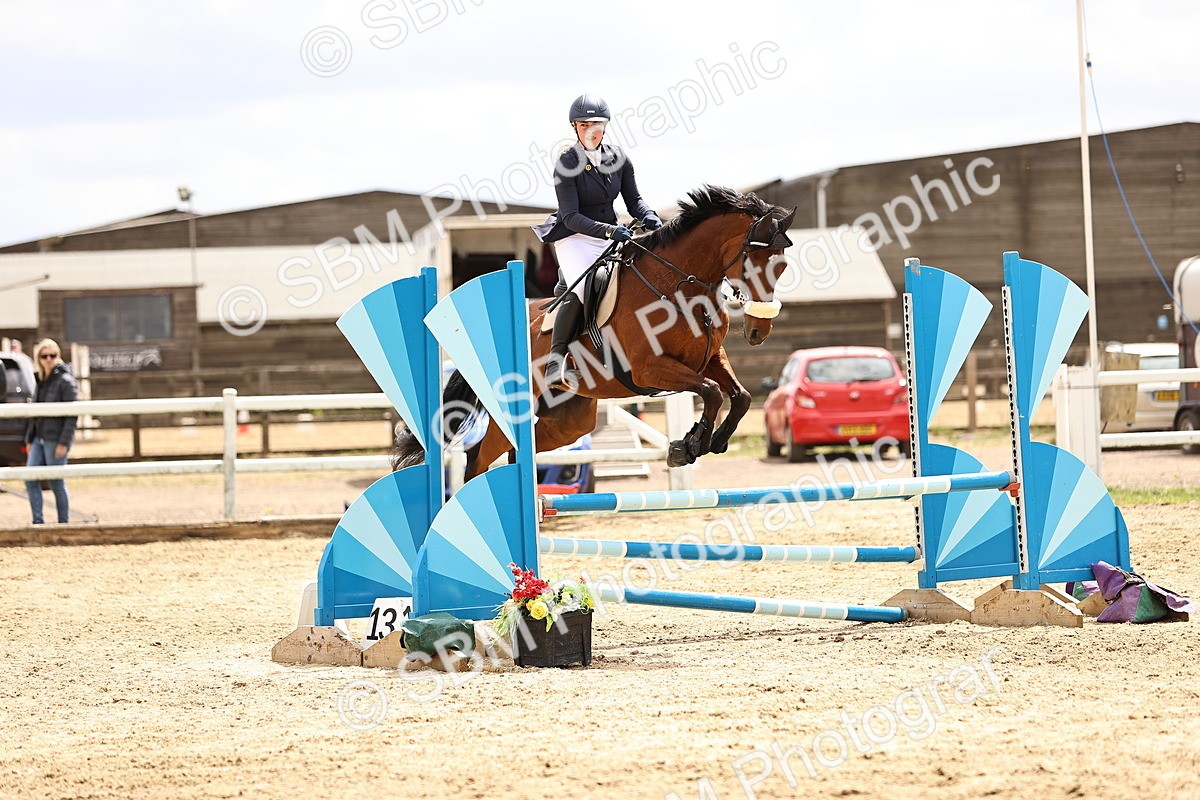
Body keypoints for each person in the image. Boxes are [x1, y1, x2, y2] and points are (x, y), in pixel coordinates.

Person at [533, 93, 663, 390]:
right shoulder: (567, 162)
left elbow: (634, 200)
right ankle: (555, 360)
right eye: (583, 124)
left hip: (610, 232)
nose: (590, 129)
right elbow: (570, 216)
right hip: (575, 237)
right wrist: (609, 231)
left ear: (605, 127)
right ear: (575, 128)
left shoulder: (619, 158)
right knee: (581, 287)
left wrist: (650, 216)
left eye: (596, 124)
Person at [24, 339, 78, 524]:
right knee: (30, 478)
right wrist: (29, 439)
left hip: (55, 439)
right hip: (38, 437)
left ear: (58, 356)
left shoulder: (65, 380)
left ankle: (63, 522)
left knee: (56, 481)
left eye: (52, 355)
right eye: (44, 355)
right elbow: (35, 413)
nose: (48, 359)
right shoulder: (40, 380)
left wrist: (64, 442)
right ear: (39, 358)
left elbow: (72, 415)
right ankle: (38, 521)